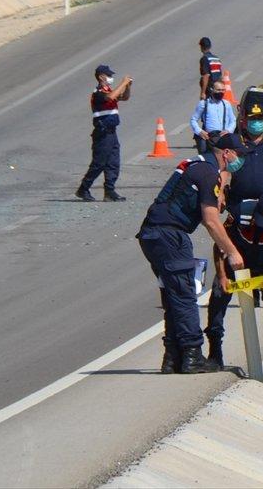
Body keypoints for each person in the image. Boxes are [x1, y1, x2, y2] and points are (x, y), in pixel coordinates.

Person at [137, 133, 248, 374]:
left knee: (173, 296)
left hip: (154, 235)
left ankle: (172, 357)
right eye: (239, 155)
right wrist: (232, 252)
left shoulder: (198, 165)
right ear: (226, 154)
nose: (241, 160)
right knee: (185, 296)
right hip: (170, 235)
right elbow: (211, 221)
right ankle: (192, 355)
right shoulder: (207, 173)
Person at [204, 191, 263, 383]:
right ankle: (214, 352)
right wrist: (222, 276)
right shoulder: (239, 211)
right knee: (218, 296)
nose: (260, 225)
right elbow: (219, 244)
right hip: (238, 261)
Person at [77, 64, 132, 202]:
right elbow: (110, 97)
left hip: (112, 133)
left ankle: (109, 191)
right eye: (109, 75)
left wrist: (128, 87)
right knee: (99, 163)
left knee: (113, 162)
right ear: (101, 77)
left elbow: (124, 97)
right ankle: (83, 188)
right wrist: (123, 82)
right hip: (102, 133)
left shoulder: (108, 90)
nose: (111, 77)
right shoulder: (98, 93)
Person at [190, 81, 236, 154]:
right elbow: (193, 120)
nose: (221, 92)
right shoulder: (204, 104)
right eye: (218, 90)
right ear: (212, 90)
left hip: (223, 137)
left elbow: (233, 120)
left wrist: (228, 130)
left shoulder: (226, 104)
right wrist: (199, 131)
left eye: (223, 90)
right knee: (205, 157)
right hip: (208, 137)